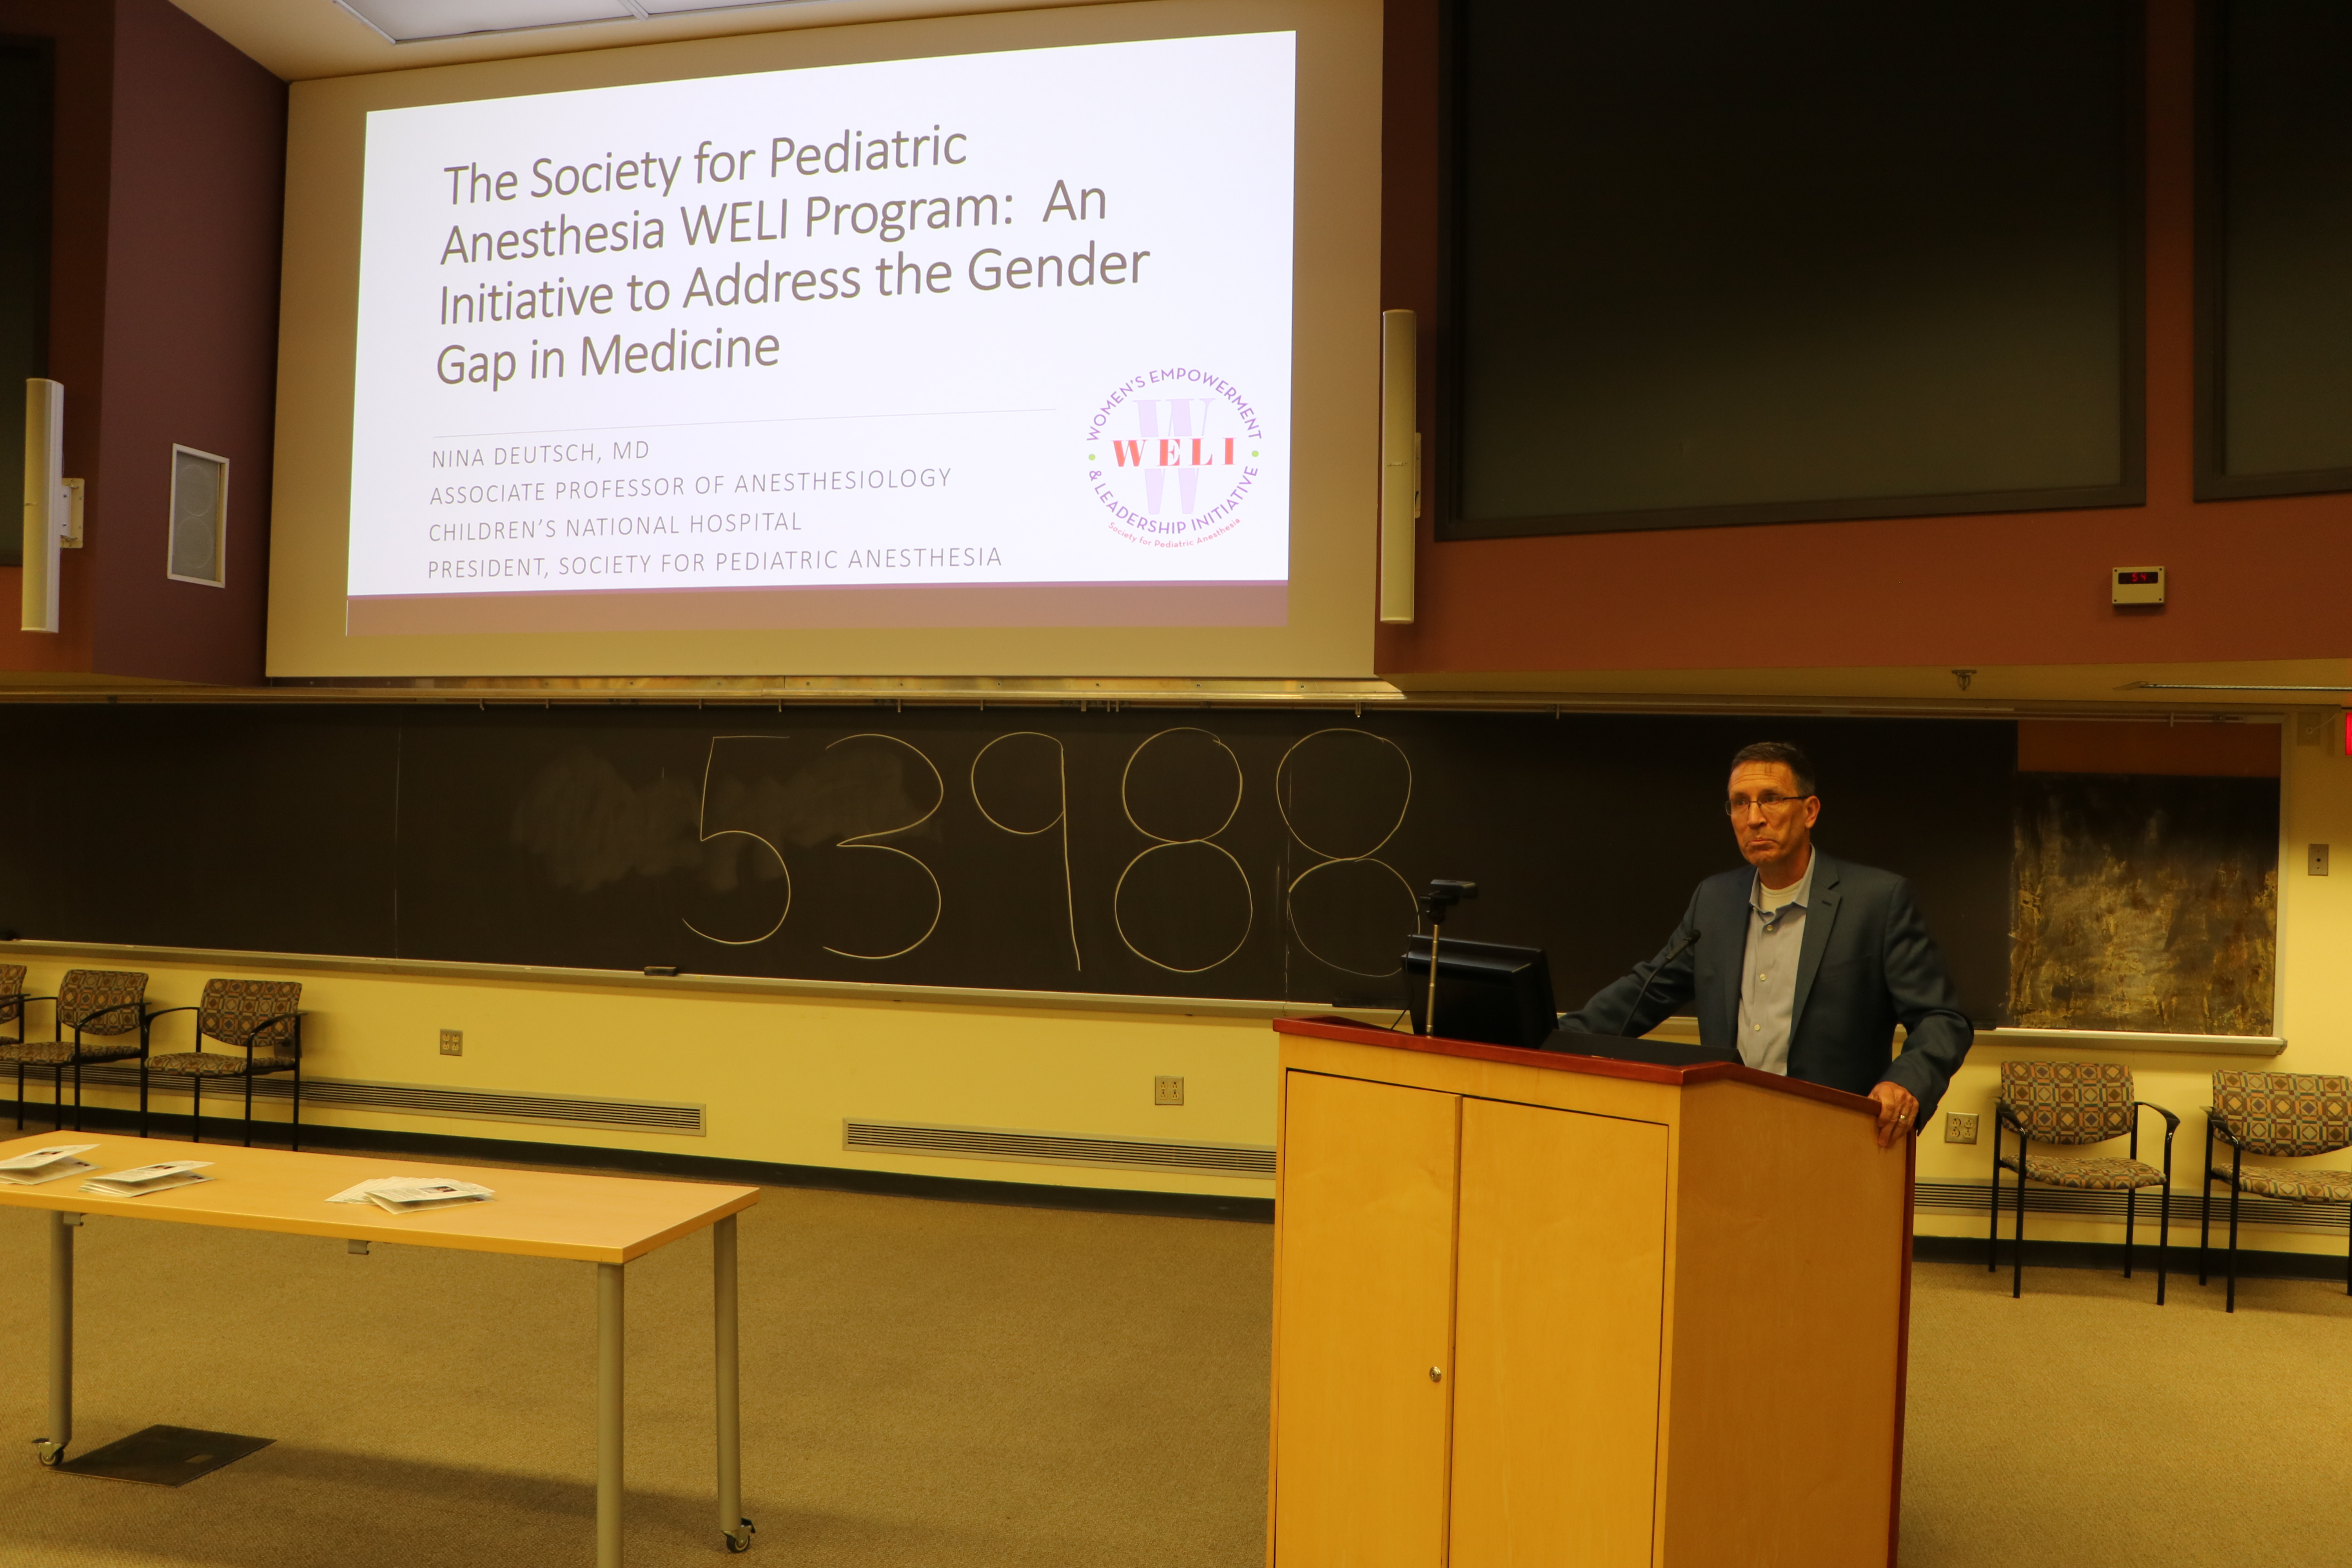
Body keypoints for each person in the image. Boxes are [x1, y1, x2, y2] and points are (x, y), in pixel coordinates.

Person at [1559, 740, 1971, 1148]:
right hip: (1729, 1133)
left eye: (1770, 799)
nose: (1754, 818)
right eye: (1740, 803)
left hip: (1838, 1141)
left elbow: (1942, 1019)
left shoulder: (1877, 901)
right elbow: (1645, 990)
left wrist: (1904, 1083)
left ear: (1809, 811)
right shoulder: (1714, 901)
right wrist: (1550, 1038)